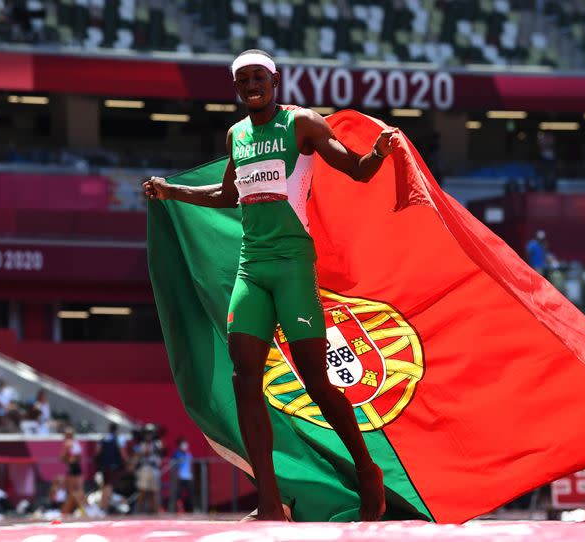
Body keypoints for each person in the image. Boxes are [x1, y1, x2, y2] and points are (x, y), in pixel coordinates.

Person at [144, 49, 392, 521]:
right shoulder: (236, 134)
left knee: (316, 380)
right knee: (244, 380)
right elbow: (227, 194)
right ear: (236, 87)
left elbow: (356, 170)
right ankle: (269, 501)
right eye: (243, 80)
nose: (251, 85)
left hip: (293, 267)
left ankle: (366, 472)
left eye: (259, 77)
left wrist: (377, 153)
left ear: (275, 80)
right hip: (251, 269)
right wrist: (171, 191)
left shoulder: (303, 124)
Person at [132, 424, 164, 514]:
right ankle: (138, 511)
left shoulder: (157, 444)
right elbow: (141, 454)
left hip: (154, 469)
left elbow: (162, 452)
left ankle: (154, 511)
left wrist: (157, 447)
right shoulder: (141, 444)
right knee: (142, 490)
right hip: (144, 468)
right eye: (147, 433)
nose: (149, 435)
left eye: (151, 433)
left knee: (154, 491)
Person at [96, 422, 127, 513]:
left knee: (105, 485)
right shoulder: (119, 439)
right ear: (116, 430)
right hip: (113, 466)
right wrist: (126, 462)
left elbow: (97, 451)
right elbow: (123, 453)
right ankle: (103, 507)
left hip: (104, 466)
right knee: (109, 486)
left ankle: (102, 505)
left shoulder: (103, 438)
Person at [60, 426, 86, 516]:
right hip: (77, 467)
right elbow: (79, 457)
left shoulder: (68, 443)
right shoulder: (76, 443)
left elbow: (63, 457)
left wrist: (67, 459)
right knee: (79, 489)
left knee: (72, 490)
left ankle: (77, 509)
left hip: (72, 467)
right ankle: (82, 508)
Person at [171, 437, 193, 512]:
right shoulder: (176, 454)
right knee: (178, 494)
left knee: (190, 494)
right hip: (180, 477)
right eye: (183, 444)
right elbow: (174, 466)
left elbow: (191, 465)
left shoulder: (189, 454)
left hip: (188, 477)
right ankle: (179, 509)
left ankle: (190, 509)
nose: (185, 445)